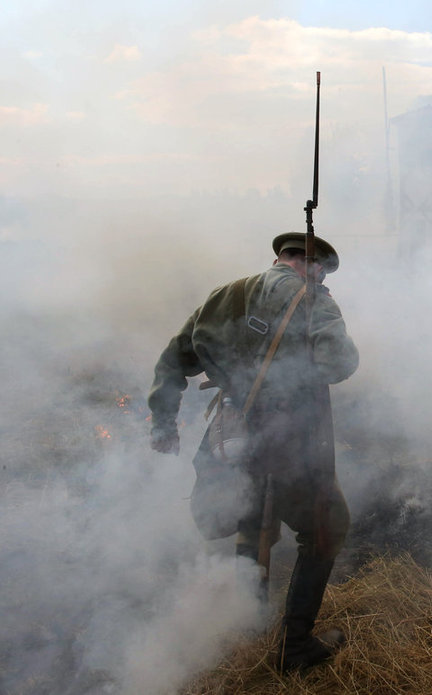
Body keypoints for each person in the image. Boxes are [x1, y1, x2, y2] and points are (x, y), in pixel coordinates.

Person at [148, 231, 359, 672]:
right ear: (314, 265)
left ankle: (250, 624)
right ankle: (294, 649)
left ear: (282, 256)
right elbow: (340, 363)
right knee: (326, 527)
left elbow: (174, 359)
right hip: (290, 440)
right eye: (321, 271)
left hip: (233, 435)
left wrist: (164, 422)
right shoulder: (311, 299)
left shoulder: (225, 295)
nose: (321, 278)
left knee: (254, 524)